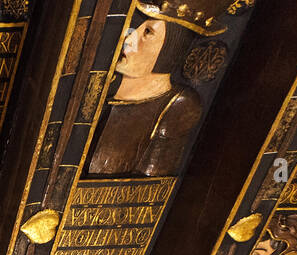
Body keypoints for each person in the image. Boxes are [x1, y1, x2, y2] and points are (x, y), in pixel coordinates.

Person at [85, 1, 234, 177]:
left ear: (171, 47)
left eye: (148, 32)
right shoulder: (101, 87)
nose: (129, 40)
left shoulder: (178, 106)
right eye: (136, 28)